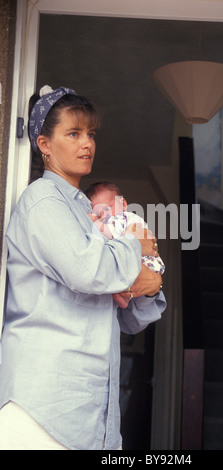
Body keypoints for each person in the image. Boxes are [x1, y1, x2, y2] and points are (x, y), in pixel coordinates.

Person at [0, 85, 166, 450]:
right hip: (41, 407)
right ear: (44, 144)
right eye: (73, 134)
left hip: (85, 409)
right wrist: (134, 245)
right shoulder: (42, 201)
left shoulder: (85, 212)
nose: (86, 143)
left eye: (90, 134)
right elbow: (90, 271)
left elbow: (125, 317)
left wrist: (148, 286)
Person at [85, 181, 165, 308]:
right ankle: (125, 299)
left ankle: (125, 297)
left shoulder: (123, 218)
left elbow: (109, 233)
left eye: (107, 208)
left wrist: (94, 222)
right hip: (135, 260)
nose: (103, 215)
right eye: (97, 212)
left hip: (143, 262)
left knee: (125, 273)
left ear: (122, 204)